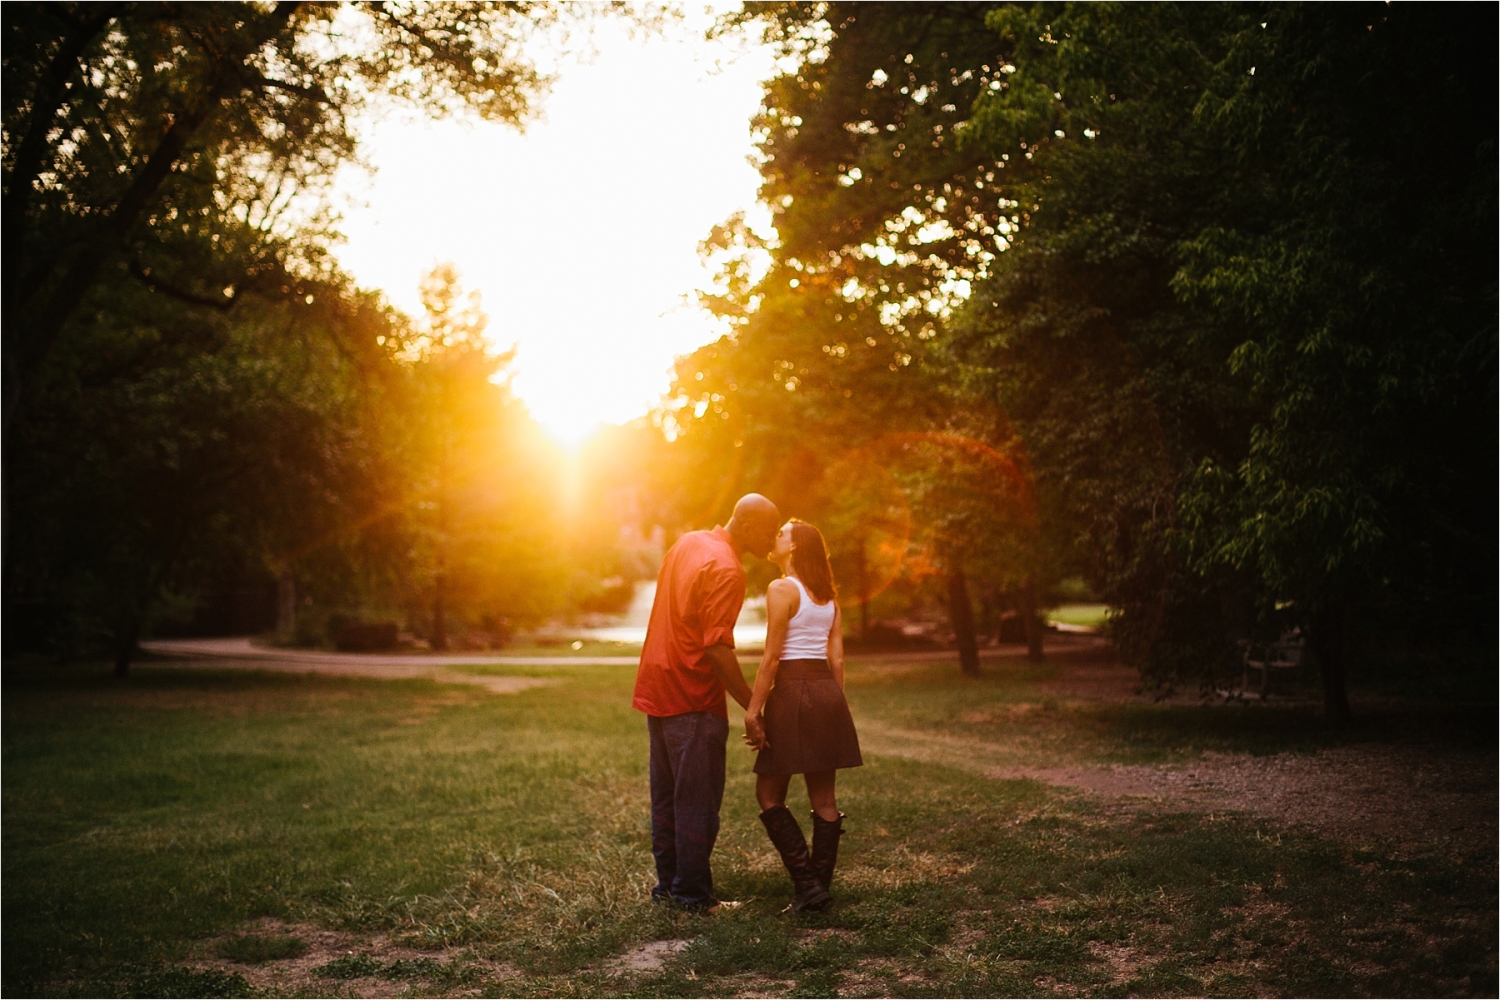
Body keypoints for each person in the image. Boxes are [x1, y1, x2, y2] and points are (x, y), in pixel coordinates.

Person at [632, 493, 782, 911]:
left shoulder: (687, 543)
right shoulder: (728, 568)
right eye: (769, 532)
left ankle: (671, 888)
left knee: (666, 798)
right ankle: (694, 896)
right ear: (748, 525)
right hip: (693, 695)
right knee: (697, 800)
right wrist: (753, 706)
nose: (772, 542)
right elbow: (716, 648)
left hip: (656, 686)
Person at [744, 519, 863, 913]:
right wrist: (833, 705)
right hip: (826, 691)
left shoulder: (782, 589)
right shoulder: (827, 596)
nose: (774, 538)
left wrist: (753, 710)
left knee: (768, 793)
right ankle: (816, 889)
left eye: (780, 534)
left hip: (793, 691)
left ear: (793, 549)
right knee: (824, 796)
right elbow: (838, 658)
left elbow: (772, 658)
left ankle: (808, 885)